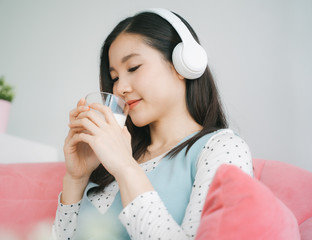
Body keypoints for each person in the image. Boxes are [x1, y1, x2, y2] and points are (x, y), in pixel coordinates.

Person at [52, 8, 253, 240]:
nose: (119, 88)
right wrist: (76, 178)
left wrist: (126, 167)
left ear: (183, 64)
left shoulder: (222, 148)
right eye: (115, 77)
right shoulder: (109, 158)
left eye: (134, 68)